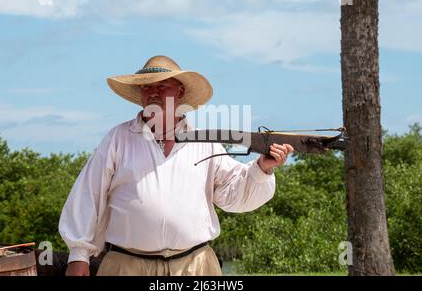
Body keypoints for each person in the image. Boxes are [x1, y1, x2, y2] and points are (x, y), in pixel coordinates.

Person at [58, 55, 293, 276]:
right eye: (147, 87)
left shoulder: (205, 141)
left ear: (180, 92)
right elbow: (88, 194)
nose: (153, 93)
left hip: (196, 265)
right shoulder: (117, 139)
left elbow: (234, 196)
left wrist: (262, 168)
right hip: (127, 265)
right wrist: (78, 255)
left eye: (162, 86)